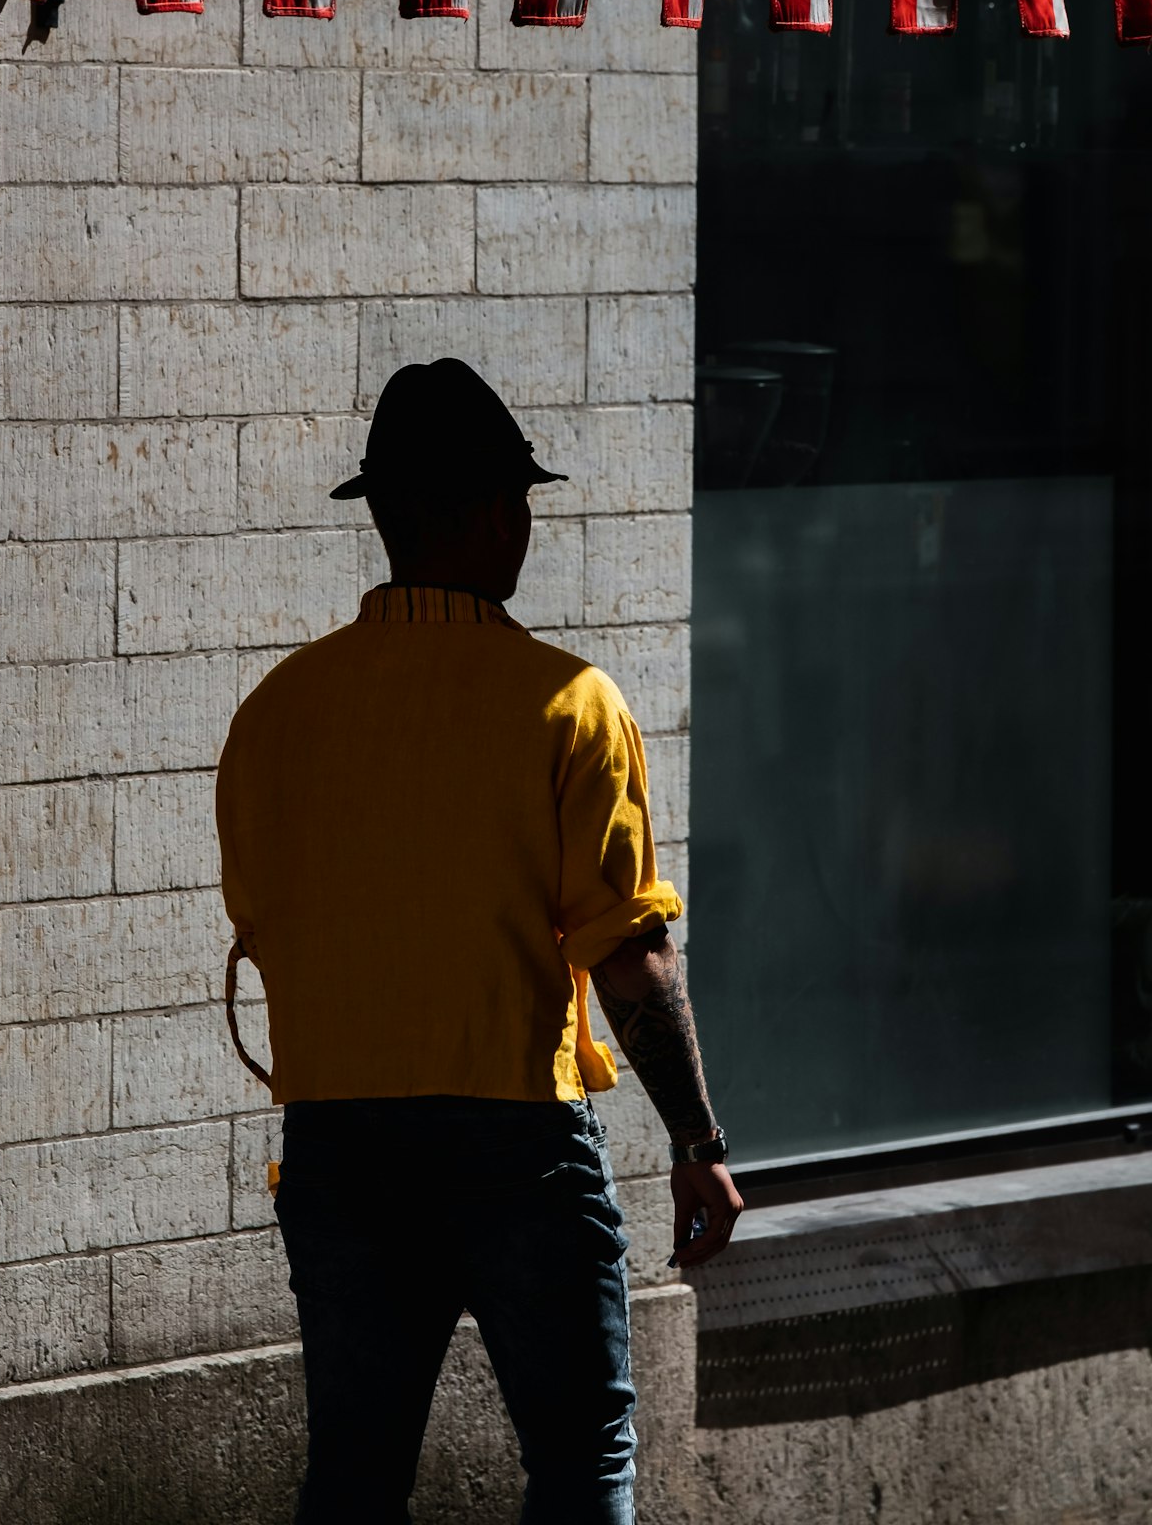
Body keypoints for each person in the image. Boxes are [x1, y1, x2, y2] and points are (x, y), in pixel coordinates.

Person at [216, 358, 742, 1524]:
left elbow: (264, 915)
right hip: (513, 1130)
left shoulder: (277, 710)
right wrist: (698, 1137)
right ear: (500, 514)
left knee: (353, 1471)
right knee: (579, 1453)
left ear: (389, 519)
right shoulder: (567, 701)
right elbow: (628, 952)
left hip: (340, 1137)